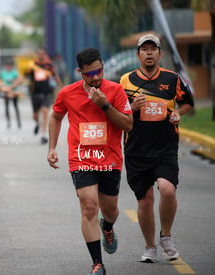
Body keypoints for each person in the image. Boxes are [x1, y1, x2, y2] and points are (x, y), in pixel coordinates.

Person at [47, 48, 133, 275]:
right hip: (81, 158)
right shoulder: (68, 93)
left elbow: (128, 124)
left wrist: (105, 105)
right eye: (89, 74)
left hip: (110, 159)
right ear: (80, 72)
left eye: (99, 71)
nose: (95, 77)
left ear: (103, 66)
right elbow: (56, 116)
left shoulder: (115, 90)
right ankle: (97, 263)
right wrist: (52, 147)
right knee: (88, 206)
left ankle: (108, 226)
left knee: (110, 210)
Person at [119, 34, 194, 263]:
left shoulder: (172, 79)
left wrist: (177, 113)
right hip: (136, 149)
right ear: (138, 54)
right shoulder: (125, 81)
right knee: (145, 200)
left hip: (165, 146)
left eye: (153, 49)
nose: (149, 53)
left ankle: (166, 236)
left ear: (160, 54)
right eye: (145, 49)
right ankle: (149, 246)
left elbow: (188, 102)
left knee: (168, 189)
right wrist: (132, 107)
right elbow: (118, 112)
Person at [26, 47, 62, 144]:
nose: (41, 55)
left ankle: (43, 135)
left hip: (46, 92)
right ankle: (37, 123)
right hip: (35, 92)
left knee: (45, 111)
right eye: (39, 53)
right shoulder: (33, 65)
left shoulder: (49, 65)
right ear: (37, 54)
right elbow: (25, 76)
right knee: (35, 115)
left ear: (45, 54)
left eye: (43, 53)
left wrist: (61, 88)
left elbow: (55, 76)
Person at [0, 60, 23, 129]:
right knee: (6, 107)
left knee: (16, 107)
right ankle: (8, 122)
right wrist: (5, 88)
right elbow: (1, 81)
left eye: (9, 66)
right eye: (7, 66)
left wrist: (11, 87)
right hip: (6, 92)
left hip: (13, 91)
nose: (8, 67)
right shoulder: (3, 73)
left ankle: (18, 122)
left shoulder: (14, 73)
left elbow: (18, 81)